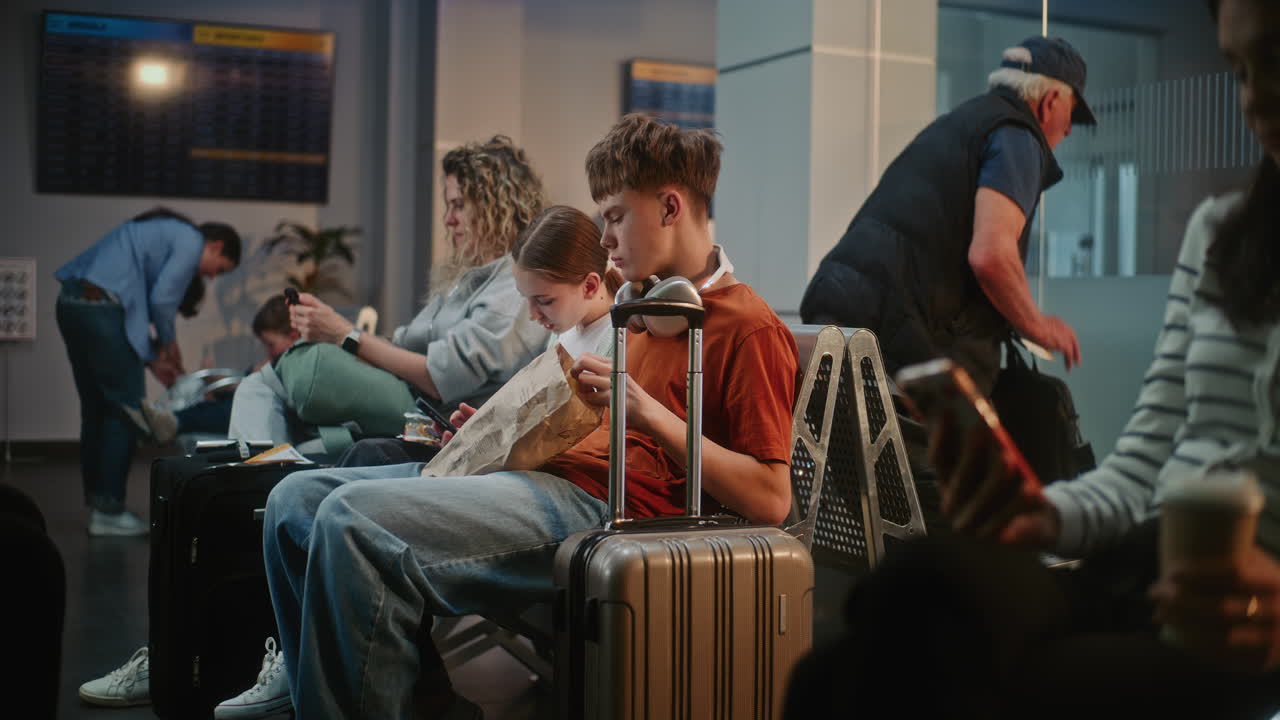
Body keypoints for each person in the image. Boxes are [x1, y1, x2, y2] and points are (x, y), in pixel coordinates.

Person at [213, 114, 798, 719]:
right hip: (551, 478)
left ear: (670, 207)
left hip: (608, 508)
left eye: (616, 214)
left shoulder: (746, 328)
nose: (606, 233)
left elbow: (771, 498)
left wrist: (647, 413)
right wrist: (498, 433)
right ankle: (318, 684)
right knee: (294, 500)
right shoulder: (642, 307)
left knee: (350, 521)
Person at [785, 2, 1280, 717]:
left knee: (945, 674)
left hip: (1232, 612)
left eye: (1274, 60)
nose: (1253, 95)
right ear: (1052, 102)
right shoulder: (1216, 235)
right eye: (1239, 68)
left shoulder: (978, 128)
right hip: (1146, 561)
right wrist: (1042, 515)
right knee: (896, 605)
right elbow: (1140, 465)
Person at [800, 35, 1094, 395]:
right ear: (1050, 102)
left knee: (850, 448)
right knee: (949, 447)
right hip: (898, 329)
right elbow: (991, 255)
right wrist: (1039, 325)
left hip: (841, 302)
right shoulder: (1018, 137)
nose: (1067, 130)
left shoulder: (962, 122)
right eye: (1072, 114)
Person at [226, 136, 550, 454]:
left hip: (432, 408)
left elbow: (440, 379)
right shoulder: (472, 278)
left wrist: (344, 334)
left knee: (278, 374)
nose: (449, 220)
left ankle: (254, 477)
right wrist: (334, 332)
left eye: (459, 205)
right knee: (269, 393)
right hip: (407, 394)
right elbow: (401, 349)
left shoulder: (512, 287)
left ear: (498, 207)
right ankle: (265, 474)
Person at [336, 203, 624, 468]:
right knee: (364, 453)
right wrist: (485, 431)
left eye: (544, 301)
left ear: (589, 286)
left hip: (550, 478)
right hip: (517, 467)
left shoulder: (616, 342)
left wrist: (501, 442)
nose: (533, 315)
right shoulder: (564, 333)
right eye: (527, 299)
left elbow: (587, 444)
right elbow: (540, 423)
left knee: (368, 457)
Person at [55, 207, 240, 536]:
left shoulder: (159, 233)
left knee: (96, 409)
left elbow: (131, 310)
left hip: (73, 303)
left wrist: (155, 359)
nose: (210, 277)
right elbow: (163, 299)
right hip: (102, 309)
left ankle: (99, 504)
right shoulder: (190, 239)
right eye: (218, 269)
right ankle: (108, 511)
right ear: (216, 246)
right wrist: (169, 344)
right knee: (127, 412)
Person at [127, 294, 300, 445]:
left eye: (270, 344)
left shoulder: (298, 363)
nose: (267, 351)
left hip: (274, 411)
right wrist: (213, 381)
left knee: (233, 406)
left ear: (293, 337)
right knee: (216, 397)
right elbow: (241, 380)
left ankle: (173, 421)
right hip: (250, 395)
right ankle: (164, 419)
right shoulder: (277, 360)